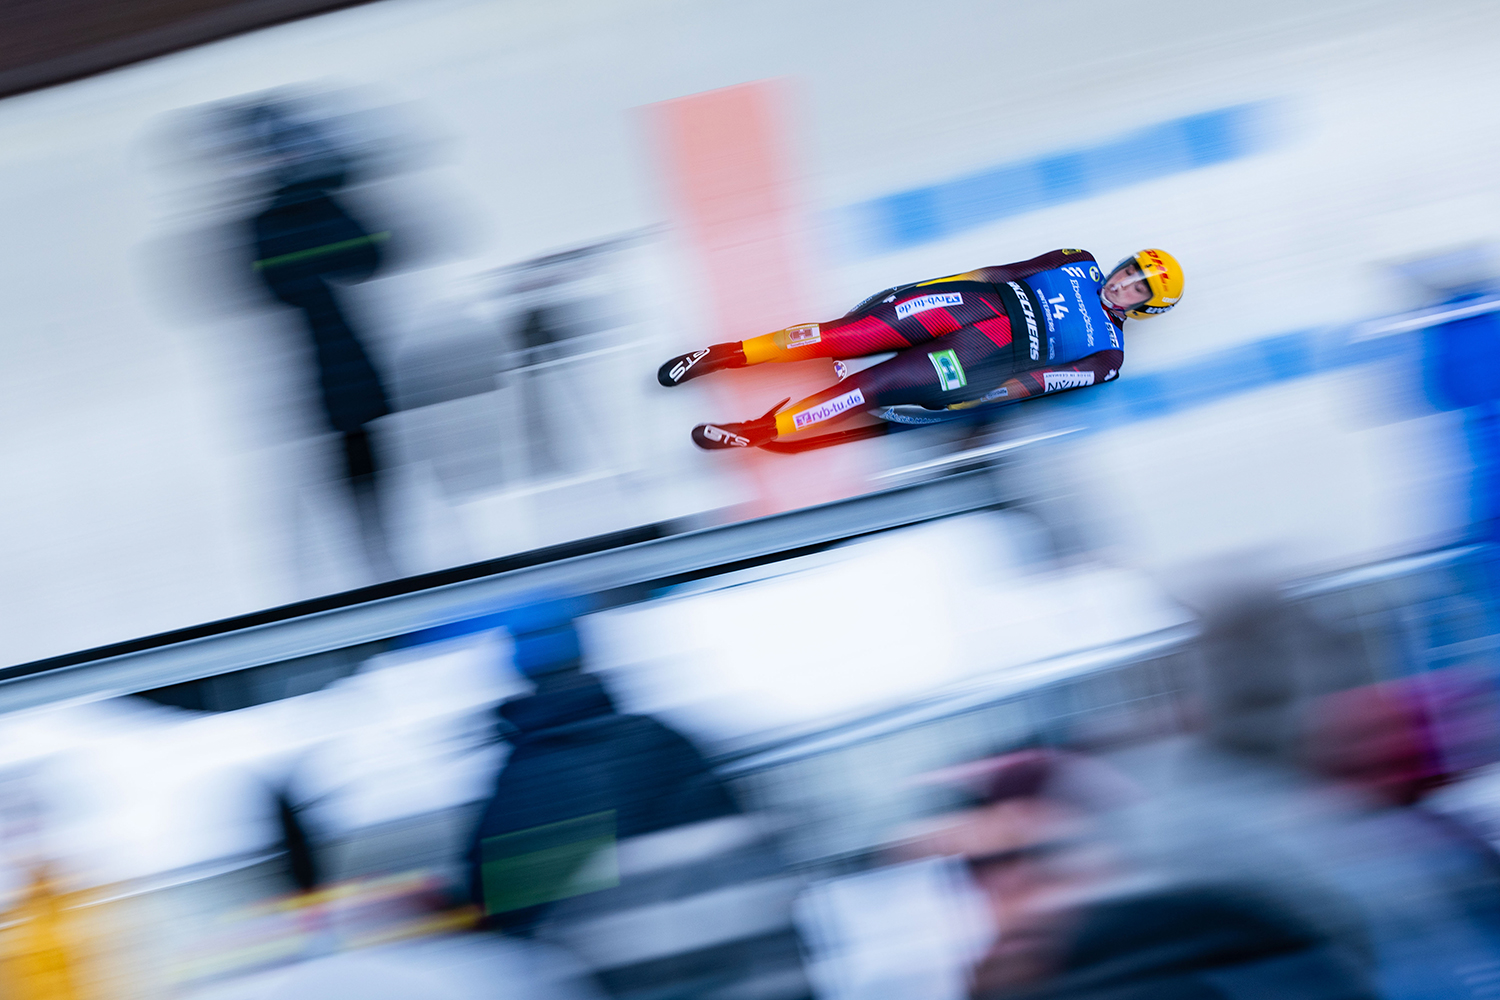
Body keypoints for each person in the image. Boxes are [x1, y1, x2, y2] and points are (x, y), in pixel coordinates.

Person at [657, 249, 1183, 450]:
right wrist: (930, 286)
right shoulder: (1078, 260)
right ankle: (722, 355)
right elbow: (999, 273)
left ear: (1146, 307)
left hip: (982, 357)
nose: (1123, 283)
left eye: (1138, 288)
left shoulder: (1109, 357)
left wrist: (979, 399)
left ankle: (759, 432)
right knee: (841, 336)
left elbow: (1041, 383)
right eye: (1130, 271)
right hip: (969, 304)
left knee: (870, 387)